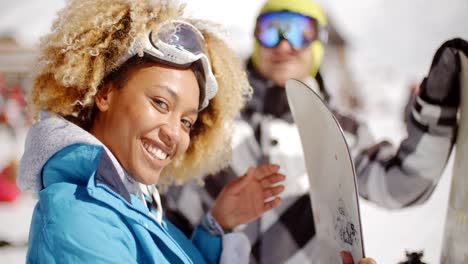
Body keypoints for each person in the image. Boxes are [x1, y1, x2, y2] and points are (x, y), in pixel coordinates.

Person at [162, 0, 465, 263]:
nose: (283, 45)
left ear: (318, 42)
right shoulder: (213, 116)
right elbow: (168, 205)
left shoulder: (341, 129)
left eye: (298, 32)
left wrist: (435, 114)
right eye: (271, 31)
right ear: (256, 39)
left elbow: (400, 185)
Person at [16, 0, 292, 262]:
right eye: (160, 103)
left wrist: (216, 225)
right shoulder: (78, 219)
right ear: (104, 94)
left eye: (187, 121)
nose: (174, 133)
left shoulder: (127, 201)